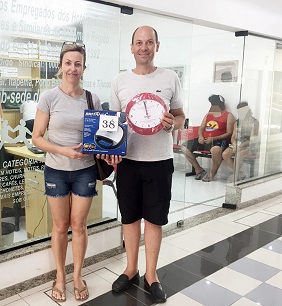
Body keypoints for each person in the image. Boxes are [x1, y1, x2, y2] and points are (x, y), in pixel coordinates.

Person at [108, 26, 185, 304]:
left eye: (149, 42)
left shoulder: (170, 78)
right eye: (138, 42)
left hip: (159, 161)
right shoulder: (119, 81)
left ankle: (152, 275)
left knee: (154, 219)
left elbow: (180, 116)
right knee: (129, 218)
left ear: (157, 46)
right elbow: (113, 124)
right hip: (128, 162)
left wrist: (173, 124)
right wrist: (110, 152)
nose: (143, 47)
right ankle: (131, 269)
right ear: (131, 48)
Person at [31, 41, 103, 302]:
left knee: (79, 225)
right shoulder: (49, 97)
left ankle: (77, 276)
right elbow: (36, 137)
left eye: (78, 64)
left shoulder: (92, 98)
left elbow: (101, 137)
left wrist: (103, 149)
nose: (73, 68)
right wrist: (64, 151)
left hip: (84, 171)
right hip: (57, 171)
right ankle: (60, 276)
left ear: (84, 68)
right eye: (68, 63)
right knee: (61, 227)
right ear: (61, 66)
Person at [182, 94, 235, 182]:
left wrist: (213, 139)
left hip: (219, 140)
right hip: (205, 139)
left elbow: (229, 133)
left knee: (216, 150)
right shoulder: (208, 115)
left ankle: (212, 173)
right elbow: (201, 128)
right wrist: (201, 137)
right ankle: (199, 170)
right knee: (184, 147)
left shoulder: (228, 115)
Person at [222, 102, 259, 181]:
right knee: (225, 154)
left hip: (248, 145)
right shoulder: (237, 122)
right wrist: (235, 145)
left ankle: (236, 175)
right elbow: (233, 137)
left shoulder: (254, 122)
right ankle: (238, 173)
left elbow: (252, 139)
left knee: (238, 155)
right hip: (237, 144)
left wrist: (240, 146)